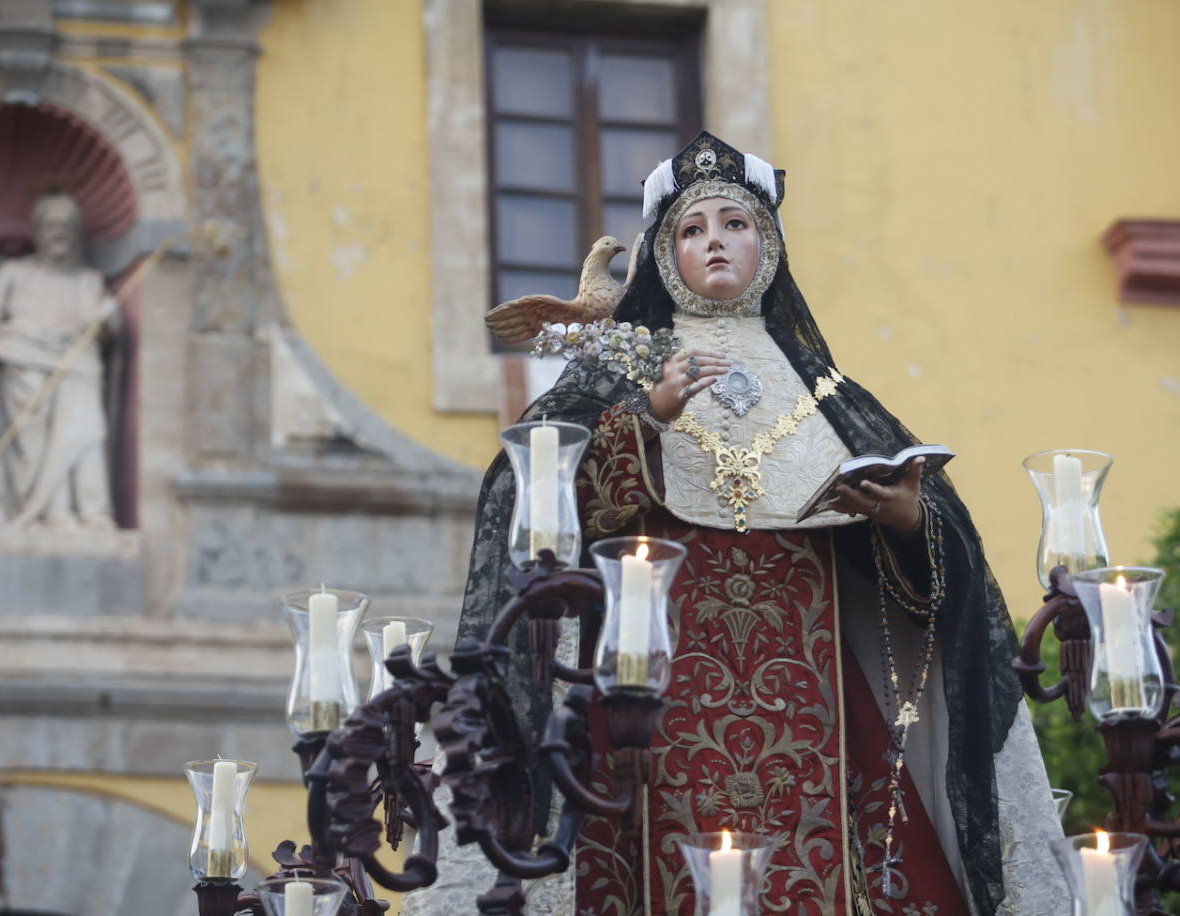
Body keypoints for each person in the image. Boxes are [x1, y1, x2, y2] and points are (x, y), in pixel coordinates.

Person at [448, 133, 1068, 914]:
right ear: (664, 255)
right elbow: (531, 495)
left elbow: (930, 582)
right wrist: (646, 414)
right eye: (692, 228)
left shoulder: (825, 387)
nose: (715, 241)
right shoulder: (624, 364)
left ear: (767, 246)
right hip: (649, 689)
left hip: (816, 703)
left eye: (735, 224)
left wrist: (908, 519)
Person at [0, 191, 118, 529]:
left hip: (77, 365)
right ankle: (44, 513)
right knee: (31, 442)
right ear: (37, 232)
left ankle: (92, 512)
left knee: (87, 432)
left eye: (66, 225)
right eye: (50, 224)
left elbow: (105, 331)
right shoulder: (14, 272)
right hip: (23, 360)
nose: (58, 231)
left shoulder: (89, 280)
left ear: (77, 233)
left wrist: (109, 318)